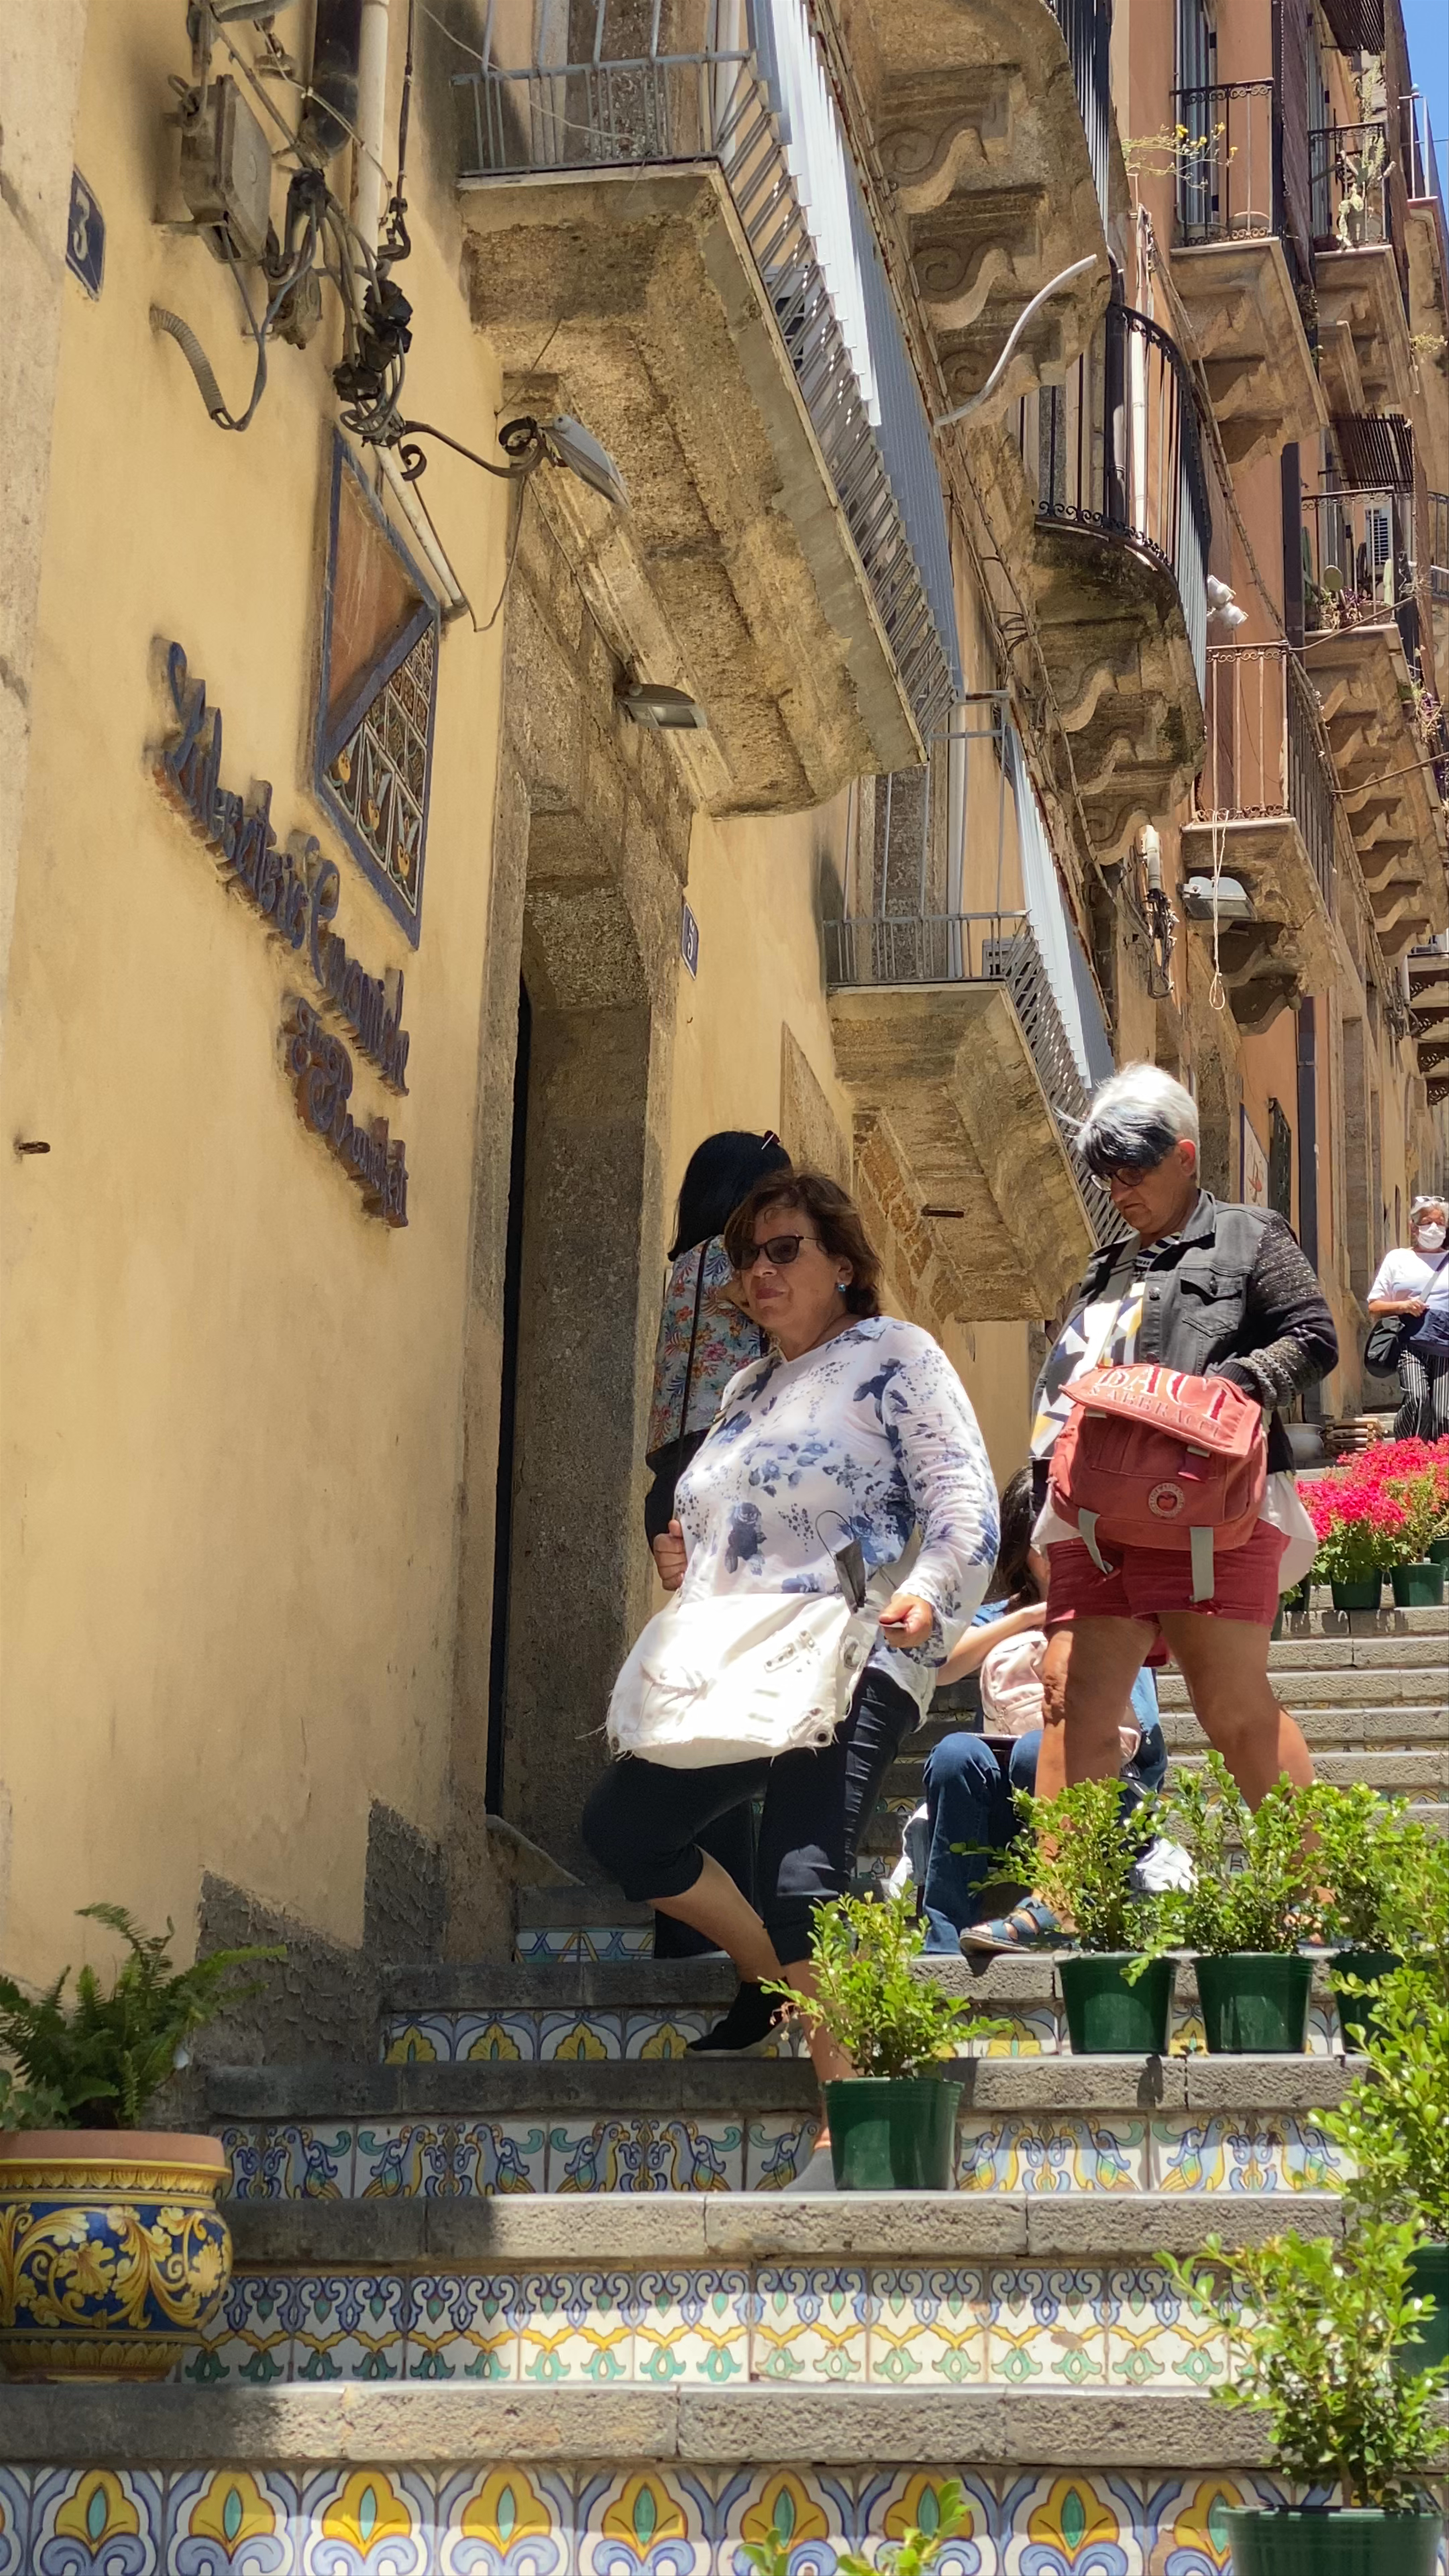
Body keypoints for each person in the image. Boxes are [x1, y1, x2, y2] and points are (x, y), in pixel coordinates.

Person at [583, 1167, 999, 2075]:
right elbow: (730, 1522)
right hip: (741, 1663)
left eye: (783, 1250)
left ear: (844, 1260)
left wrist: (928, 1588)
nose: (759, 1273)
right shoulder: (743, 1392)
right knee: (624, 1828)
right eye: (744, 1258)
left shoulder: (896, 1354)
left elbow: (964, 1501)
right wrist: (685, 1556)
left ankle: (843, 2114)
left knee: (801, 1876)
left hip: (854, 1647)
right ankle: (774, 1976)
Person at [980, 1064, 1336, 1949]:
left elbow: (1315, 1337)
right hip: (1097, 1521)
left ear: (1184, 1154)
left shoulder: (1248, 1236)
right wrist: (1036, 1506)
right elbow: (1065, 1392)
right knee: (1068, 1692)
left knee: (1230, 1705)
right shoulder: (1105, 1267)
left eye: (1134, 1168)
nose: (1119, 1188)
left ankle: (1318, 1888)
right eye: (1106, 1173)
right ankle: (1060, 1897)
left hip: (1208, 1510)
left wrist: (1232, 1386)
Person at [912, 1469, 1166, 1952]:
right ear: (1023, 1550)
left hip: (1102, 1797)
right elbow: (943, 1666)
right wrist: (1031, 1617)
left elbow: (1142, 1730)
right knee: (953, 1754)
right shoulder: (1001, 1615)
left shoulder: (1116, 1617)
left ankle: (1055, 1904)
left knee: (1037, 1748)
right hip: (1005, 1794)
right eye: (1043, 1546)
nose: (1055, 1557)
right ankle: (944, 1940)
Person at [643, 1130, 791, 1958]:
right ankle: (718, 1908)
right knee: (727, 1706)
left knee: (718, 1692)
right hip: (720, 1475)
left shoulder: (683, 1269)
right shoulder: (733, 1273)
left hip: (678, 1474)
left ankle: (701, 1911)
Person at [1366, 1195, 1449, 1441]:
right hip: (1411, 1343)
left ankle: (1440, 1463)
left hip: (1446, 1347)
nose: (1434, 1229)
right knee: (1417, 1397)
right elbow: (1374, 1305)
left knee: (1444, 1413)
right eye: (1427, 1223)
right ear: (1414, 1227)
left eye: (1440, 1223)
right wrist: (1403, 1305)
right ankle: (1409, 1448)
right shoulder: (1398, 1259)